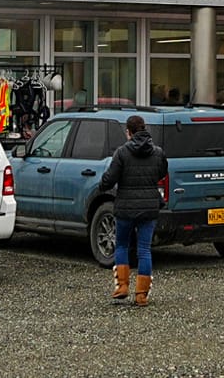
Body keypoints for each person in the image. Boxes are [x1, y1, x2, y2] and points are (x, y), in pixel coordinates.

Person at [98, 114, 167, 306]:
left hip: (126, 207)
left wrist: (101, 185)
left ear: (128, 132)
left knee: (122, 245)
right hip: (149, 207)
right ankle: (142, 294)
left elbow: (110, 179)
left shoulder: (122, 152)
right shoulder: (158, 152)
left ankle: (122, 286)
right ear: (145, 129)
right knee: (144, 249)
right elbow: (162, 172)